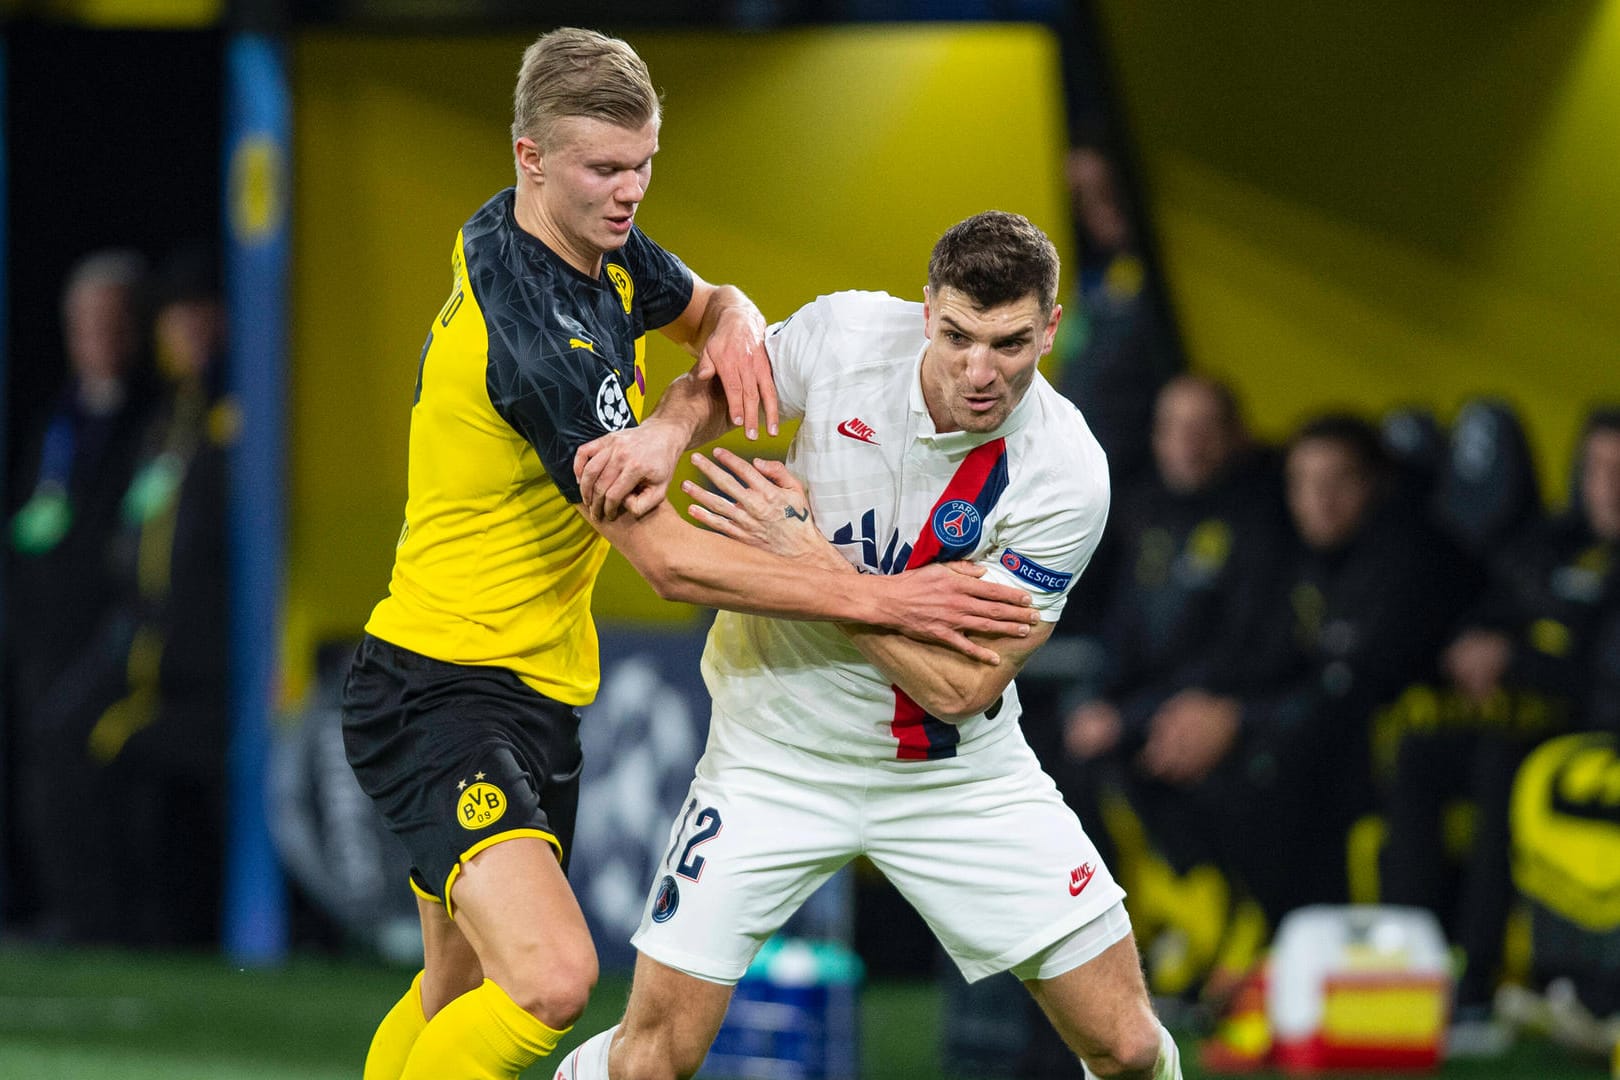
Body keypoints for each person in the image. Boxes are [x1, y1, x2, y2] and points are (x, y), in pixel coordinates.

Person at [340, 30, 1038, 1080]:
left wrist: (690, 389)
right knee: (553, 981)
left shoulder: (577, 243)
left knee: (460, 990)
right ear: (530, 157)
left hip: (532, 687)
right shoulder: (535, 344)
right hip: (440, 688)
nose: (629, 194)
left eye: (643, 165)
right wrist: (884, 602)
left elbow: (712, 308)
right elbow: (668, 564)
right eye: (604, 170)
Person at [556, 211, 1182, 1080]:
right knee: (649, 1061)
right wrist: (664, 434)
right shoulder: (849, 333)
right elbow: (720, 381)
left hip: (956, 776)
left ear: (1050, 329)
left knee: (1129, 1046)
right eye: (958, 335)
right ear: (926, 311)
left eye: (1009, 344)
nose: (979, 370)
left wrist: (814, 566)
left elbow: (958, 686)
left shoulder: (1064, 474)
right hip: (774, 752)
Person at [1381, 407, 1620, 1032]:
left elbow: (1598, 674)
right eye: (1599, 468)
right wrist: (1476, 642)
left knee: (1503, 761)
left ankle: (1475, 975)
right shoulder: (1552, 542)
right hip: (1520, 719)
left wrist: (1522, 661)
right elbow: (1493, 608)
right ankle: (1409, 954)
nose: (1611, 484)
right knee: (1419, 750)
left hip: (1587, 734)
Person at [6, 247, 160, 941]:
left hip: (120, 636)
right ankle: (61, 909)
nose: (98, 338)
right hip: (46, 637)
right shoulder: (56, 425)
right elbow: (31, 530)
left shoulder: (154, 423)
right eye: (85, 324)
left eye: (113, 322)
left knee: (91, 764)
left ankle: (104, 919)